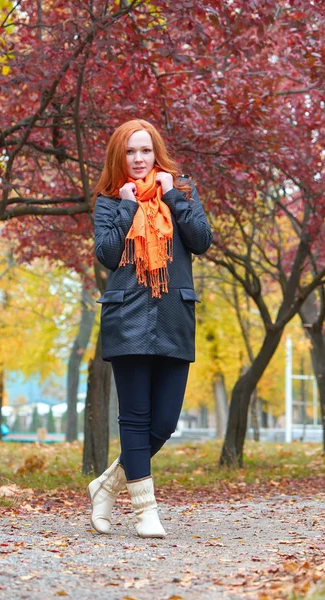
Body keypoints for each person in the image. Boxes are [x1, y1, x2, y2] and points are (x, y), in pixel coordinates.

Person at [88, 119, 213, 538]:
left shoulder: (183, 192)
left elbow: (201, 240)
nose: (138, 159)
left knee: (164, 423)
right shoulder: (108, 202)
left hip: (174, 317)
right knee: (135, 418)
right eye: (130, 152)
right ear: (118, 157)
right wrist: (127, 206)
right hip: (127, 319)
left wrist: (173, 195)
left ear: (156, 153)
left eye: (145, 150)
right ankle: (146, 512)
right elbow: (107, 254)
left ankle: (107, 485)